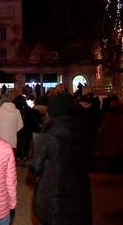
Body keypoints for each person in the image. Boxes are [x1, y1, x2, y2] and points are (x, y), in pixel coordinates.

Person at [31, 94, 92, 225]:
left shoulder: (48, 134)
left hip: (54, 193)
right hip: (79, 194)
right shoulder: (83, 129)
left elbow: (36, 166)